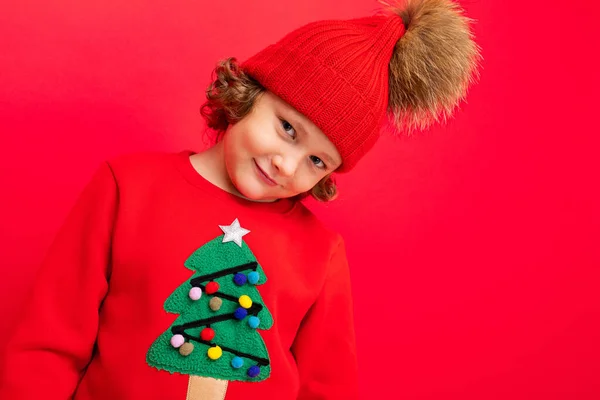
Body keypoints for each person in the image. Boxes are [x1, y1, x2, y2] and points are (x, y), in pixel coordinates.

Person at [0, 0, 481, 398]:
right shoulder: (125, 187)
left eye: (318, 161)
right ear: (249, 92)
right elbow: (47, 346)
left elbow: (327, 388)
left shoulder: (320, 253)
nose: (287, 166)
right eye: (287, 128)